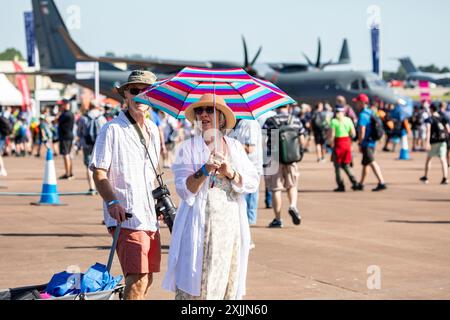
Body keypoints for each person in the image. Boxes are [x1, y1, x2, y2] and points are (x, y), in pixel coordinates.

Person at [163, 93, 259, 300]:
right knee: (197, 282)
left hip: (229, 227)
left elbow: (252, 181)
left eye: (210, 110)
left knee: (226, 282)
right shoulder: (187, 148)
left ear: (222, 117)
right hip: (199, 225)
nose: (204, 115)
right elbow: (184, 188)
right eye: (200, 111)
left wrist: (230, 172)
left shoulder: (234, 147)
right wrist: (204, 170)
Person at [90, 70, 161, 300]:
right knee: (138, 276)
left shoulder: (154, 130)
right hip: (126, 216)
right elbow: (99, 172)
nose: (140, 95)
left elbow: (153, 173)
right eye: (134, 91)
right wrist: (112, 201)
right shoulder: (111, 129)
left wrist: (159, 204)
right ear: (126, 96)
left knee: (146, 278)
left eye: (146, 91)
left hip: (149, 215)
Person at [263, 104, 305, 228]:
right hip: (291, 158)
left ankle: (278, 219)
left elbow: (264, 141)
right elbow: (302, 140)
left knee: (276, 189)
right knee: (292, 185)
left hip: (275, 158)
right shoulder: (296, 120)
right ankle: (292, 205)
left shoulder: (270, 121)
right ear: (288, 107)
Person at [229, 119, 263, 227]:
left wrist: (230, 145)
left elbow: (250, 147)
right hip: (241, 168)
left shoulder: (249, 123)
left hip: (251, 167)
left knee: (249, 201)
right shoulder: (238, 123)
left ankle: (248, 230)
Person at [353, 93, 387, 192]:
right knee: (365, 163)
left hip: (366, 143)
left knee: (372, 162)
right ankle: (361, 183)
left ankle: (381, 182)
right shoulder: (371, 112)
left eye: (357, 102)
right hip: (371, 141)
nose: (356, 105)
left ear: (362, 103)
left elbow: (362, 130)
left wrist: (360, 142)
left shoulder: (363, 115)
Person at [77, 102, 107, 194]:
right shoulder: (102, 118)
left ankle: (91, 188)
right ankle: (100, 188)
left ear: (89, 107)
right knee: (100, 166)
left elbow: (79, 132)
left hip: (87, 144)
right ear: (97, 106)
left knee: (88, 166)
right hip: (99, 145)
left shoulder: (83, 117)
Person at [329, 106, 358, 192]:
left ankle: (341, 185)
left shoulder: (334, 121)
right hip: (346, 143)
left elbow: (332, 135)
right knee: (346, 165)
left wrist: (331, 144)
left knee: (337, 166)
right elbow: (353, 133)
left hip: (338, 143)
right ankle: (354, 182)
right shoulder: (348, 120)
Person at [420, 103, 449, 185]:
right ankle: (445, 178)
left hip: (434, 141)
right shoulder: (442, 117)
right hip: (443, 140)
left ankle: (426, 177)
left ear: (431, 109)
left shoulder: (430, 119)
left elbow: (428, 130)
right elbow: (448, 130)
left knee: (429, 159)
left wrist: (427, 142)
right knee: (443, 159)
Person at [56, 99, 75, 179]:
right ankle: (69, 173)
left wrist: (59, 112)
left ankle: (68, 174)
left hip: (65, 137)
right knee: (68, 154)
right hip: (69, 135)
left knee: (66, 154)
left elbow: (56, 120)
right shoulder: (70, 113)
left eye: (62, 105)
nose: (60, 107)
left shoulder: (65, 114)